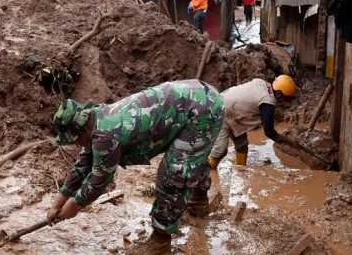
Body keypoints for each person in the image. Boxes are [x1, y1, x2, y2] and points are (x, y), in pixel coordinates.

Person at [47, 80, 225, 252]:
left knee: (174, 173)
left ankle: (161, 241)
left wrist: (75, 204)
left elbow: (98, 180)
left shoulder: (105, 135)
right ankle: (198, 202)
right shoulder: (95, 119)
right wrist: (59, 201)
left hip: (203, 108)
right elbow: (83, 165)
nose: (77, 144)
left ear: (81, 130)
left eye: (75, 139)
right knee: (191, 157)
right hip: (195, 98)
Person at [207, 75, 299, 169]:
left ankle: (241, 170)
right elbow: (268, 131)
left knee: (242, 145)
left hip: (231, 109)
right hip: (221, 111)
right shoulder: (267, 102)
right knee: (220, 150)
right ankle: (206, 171)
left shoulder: (262, 83)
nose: (285, 102)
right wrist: (284, 140)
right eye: (285, 98)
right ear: (279, 94)